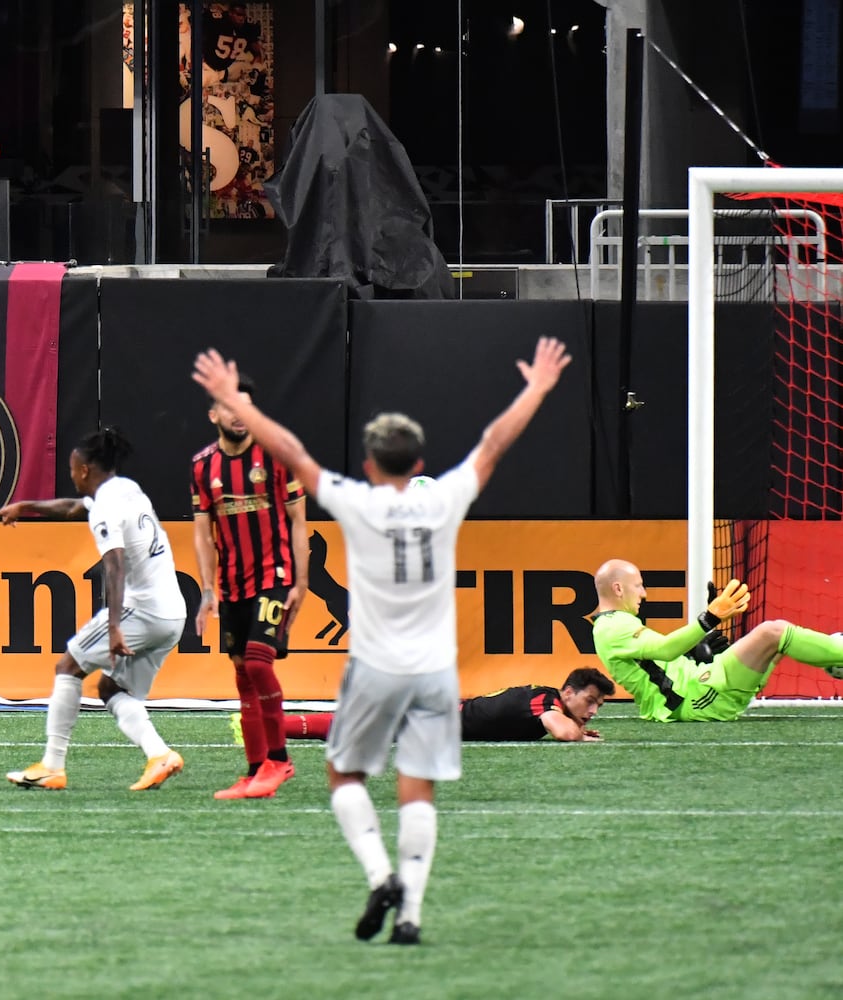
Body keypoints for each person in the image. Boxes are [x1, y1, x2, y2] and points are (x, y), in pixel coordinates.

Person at [192, 336, 570, 946]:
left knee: (344, 777)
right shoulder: (445, 499)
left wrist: (234, 399)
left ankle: (378, 874)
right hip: (432, 673)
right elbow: (494, 442)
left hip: (373, 668)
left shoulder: (356, 502)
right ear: (420, 466)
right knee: (416, 791)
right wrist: (538, 387)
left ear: (369, 465)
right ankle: (412, 914)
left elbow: (288, 449)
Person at [0, 427, 189, 792]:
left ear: (84, 469)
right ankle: (159, 754)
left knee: (68, 665)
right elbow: (72, 507)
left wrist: (115, 627)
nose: (71, 475)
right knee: (113, 689)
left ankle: (52, 766)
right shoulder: (126, 488)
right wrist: (28, 507)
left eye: (73, 469)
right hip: (172, 614)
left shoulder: (106, 506)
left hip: (142, 611)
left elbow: (114, 564)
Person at [190, 380, 308, 800]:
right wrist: (208, 589)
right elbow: (202, 534)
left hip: (273, 578)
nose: (239, 413)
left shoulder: (276, 456)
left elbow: (298, 520)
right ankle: (256, 771)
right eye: (229, 406)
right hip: (234, 584)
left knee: (259, 663)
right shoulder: (203, 467)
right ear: (214, 416)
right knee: (242, 673)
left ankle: (280, 760)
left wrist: (301, 580)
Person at [590, 560, 843, 721]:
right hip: (694, 700)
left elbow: (656, 664)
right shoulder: (612, 627)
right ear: (618, 589)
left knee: (776, 640)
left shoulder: (615, 624)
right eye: (638, 586)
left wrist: (695, 653)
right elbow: (665, 650)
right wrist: (709, 618)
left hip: (698, 684)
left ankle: (834, 657)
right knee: (771, 632)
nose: (644, 593)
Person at [267, 667, 615, 743]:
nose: (593, 710)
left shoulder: (548, 701)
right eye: (590, 700)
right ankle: (267, 727)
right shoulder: (548, 699)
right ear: (568, 692)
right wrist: (581, 734)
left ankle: (268, 727)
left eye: (598, 704)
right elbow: (564, 734)